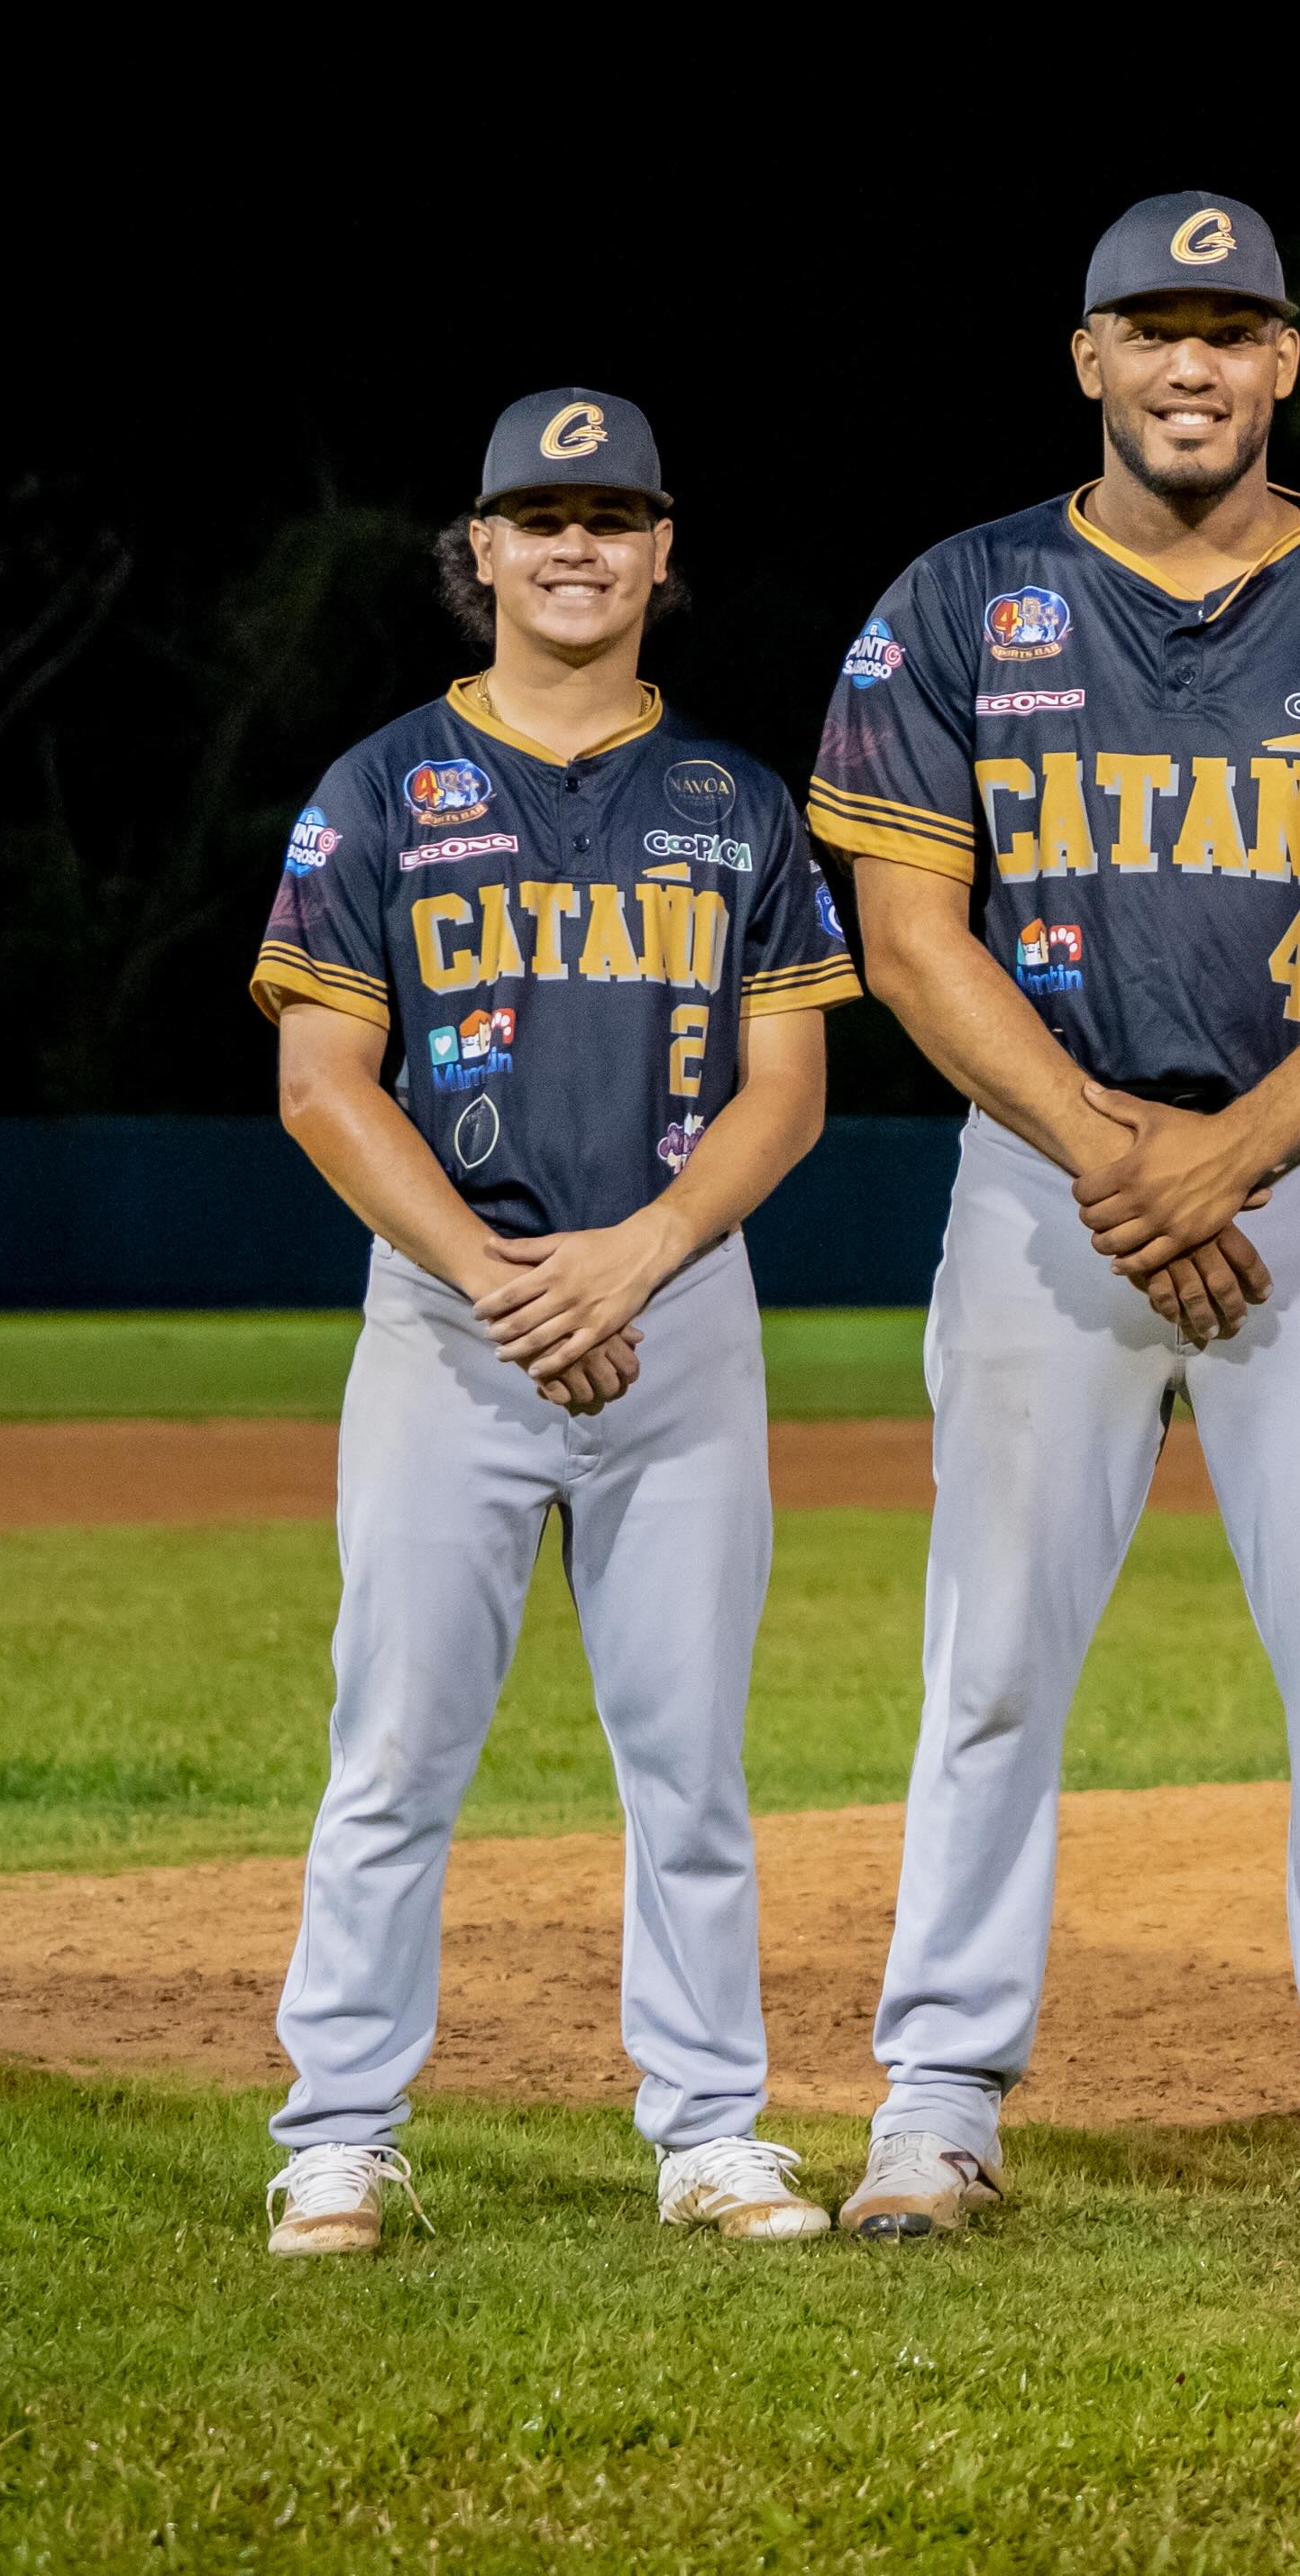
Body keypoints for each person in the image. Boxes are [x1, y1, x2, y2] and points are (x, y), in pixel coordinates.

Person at [808, 195, 1300, 2245]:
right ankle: (936, 2094)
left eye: (1229, 328)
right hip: (1050, 1184)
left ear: (1285, 359)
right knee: (992, 1658)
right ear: (1089, 359)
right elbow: (905, 931)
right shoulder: (966, 595)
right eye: (1152, 327)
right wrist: (1122, 1153)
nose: (1191, 363)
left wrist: (1235, 1151)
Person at [251, 389, 856, 2256]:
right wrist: (505, 1279)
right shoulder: (380, 789)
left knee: (690, 1763)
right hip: (454, 1323)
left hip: (678, 1318)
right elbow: (322, 1082)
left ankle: (712, 2129)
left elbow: (788, 1088)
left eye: (610, 515)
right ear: (484, 550)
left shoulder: (736, 805)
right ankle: (339, 2130)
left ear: (662, 550)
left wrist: (640, 1254)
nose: (575, 544)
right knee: (395, 1749)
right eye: (540, 515)